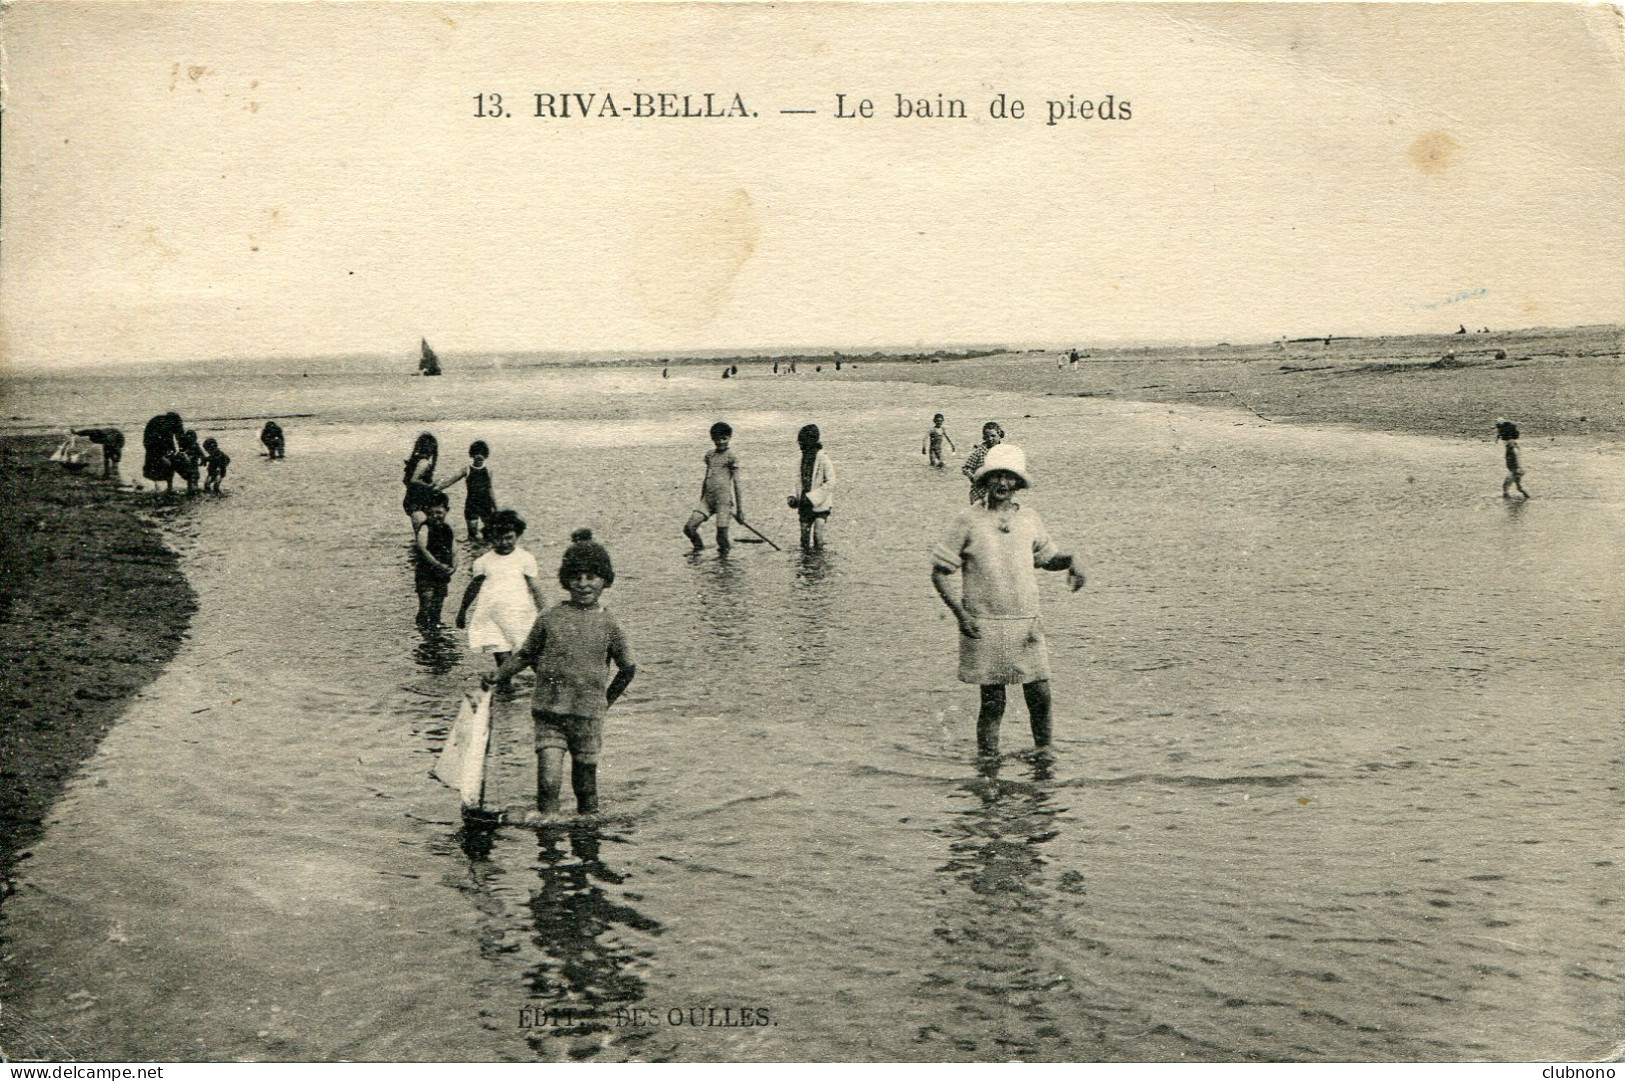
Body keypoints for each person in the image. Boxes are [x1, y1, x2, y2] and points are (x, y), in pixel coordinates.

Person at [930, 444, 1085, 759]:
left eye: (1009, 478)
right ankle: (988, 767)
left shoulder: (1029, 518)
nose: (1002, 483)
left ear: (1018, 484)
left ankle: (1044, 758)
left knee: (1040, 694)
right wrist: (960, 615)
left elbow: (1048, 558)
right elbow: (939, 573)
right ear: (984, 480)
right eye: (996, 476)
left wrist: (1074, 560)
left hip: (1025, 623)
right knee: (993, 703)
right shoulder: (967, 520)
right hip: (982, 625)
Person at [484, 529, 637, 821]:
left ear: (605, 580)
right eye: (576, 577)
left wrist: (606, 701)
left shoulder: (610, 624)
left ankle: (587, 839)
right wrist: (499, 675)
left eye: (591, 577)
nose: (583, 584)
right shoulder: (549, 618)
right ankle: (548, 842)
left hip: (588, 717)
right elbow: (526, 654)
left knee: (586, 790)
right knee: (548, 783)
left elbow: (628, 668)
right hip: (549, 714)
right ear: (566, 580)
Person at [456, 509, 546, 673]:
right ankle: (506, 693)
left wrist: (545, 612)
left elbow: (535, 587)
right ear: (490, 538)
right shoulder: (483, 562)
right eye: (499, 538)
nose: (504, 543)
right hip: (493, 617)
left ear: (517, 535)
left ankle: (547, 692)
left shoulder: (525, 558)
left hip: (520, 615)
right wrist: (462, 610)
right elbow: (473, 587)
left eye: (509, 538)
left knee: (531, 656)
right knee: (503, 661)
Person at [683, 421, 744, 553]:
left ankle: (724, 566)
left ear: (729, 437)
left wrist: (740, 511)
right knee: (689, 528)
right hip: (708, 500)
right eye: (717, 439)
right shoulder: (710, 455)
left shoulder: (731, 457)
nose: (721, 442)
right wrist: (702, 499)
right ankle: (698, 551)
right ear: (712, 439)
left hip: (723, 502)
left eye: (724, 438)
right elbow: (706, 478)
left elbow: (737, 485)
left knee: (721, 538)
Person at [436, 440, 500, 543]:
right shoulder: (467, 469)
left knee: (490, 535)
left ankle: (484, 552)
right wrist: (436, 489)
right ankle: (472, 554)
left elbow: (490, 490)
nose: (479, 456)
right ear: (472, 455)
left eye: (482, 454)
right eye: (476, 453)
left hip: (486, 505)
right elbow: (450, 481)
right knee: (472, 535)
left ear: (486, 455)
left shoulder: (488, 471)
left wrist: (497, 508)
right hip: (472, 505)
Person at [786, 423, 835, 549]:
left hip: (820, 505)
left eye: (802, 443)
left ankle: (817, 562)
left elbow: (830, 482)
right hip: (804, 504)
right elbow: (796, 481)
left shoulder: (824, 459)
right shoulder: (800, 459)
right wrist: (792, 497)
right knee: (804, 536)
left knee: (818, 534)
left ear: (811, 442)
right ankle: (807, 561)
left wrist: (813, 497)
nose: (800, 445)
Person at [413, 492, 456, 631]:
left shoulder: (447, 529)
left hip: (442, 574)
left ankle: (434, 636)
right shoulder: (425, 528)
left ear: (446, 511)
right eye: (431, 513)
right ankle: (422, 629)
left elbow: (455, 550)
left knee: (437, 605)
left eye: (439, 512)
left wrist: (454, 566)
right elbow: (422, 549)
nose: (435, 516)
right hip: (426, 573)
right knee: (426, 602)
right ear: (426, 512)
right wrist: (437, 564)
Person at [402, 432, 440, 528]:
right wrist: (429, 486)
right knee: (424, 530)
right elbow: (414, 481)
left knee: (419, 530)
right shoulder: (424, 463)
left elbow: (407, 481)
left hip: (411, 499)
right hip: (418, 501)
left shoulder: (414, 461)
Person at [141, 413, 184, 492]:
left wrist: (182, 450)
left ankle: (169, 486)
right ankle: (158, 487)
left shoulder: (171, 424)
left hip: (160, 445)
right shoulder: (159, 425)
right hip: (153, 446)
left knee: (171, 461)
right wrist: (161, 456)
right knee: (155, 467)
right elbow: (149, 444)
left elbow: (180, 438)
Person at [959, 421, 1005, 495]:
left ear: (999, 435)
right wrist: (974, 479)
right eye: (987, 436)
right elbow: (966, 468)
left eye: (993, 436)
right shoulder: (979, 451)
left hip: (999, 492)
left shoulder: (1004, 451)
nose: (990, 439)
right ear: (984, 437)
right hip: (980, 492)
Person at [1496, 417, 1530, 499]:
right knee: (1518, 487)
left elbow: (1516, 454)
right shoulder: (1512, 443)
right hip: (1514, 469)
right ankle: (1526, 498)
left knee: (1506, 486)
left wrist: (1518, 468)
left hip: (1515, 470)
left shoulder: (1511, 445)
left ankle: (1509, 501)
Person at [175, 430, 205, 494]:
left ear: (195, 439)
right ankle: (191, 490)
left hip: (194, 466)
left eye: (192, 439)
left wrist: (203, 460)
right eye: (188, 439)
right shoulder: (185, 447)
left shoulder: (196, 446)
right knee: (190, 478)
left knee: (194, 477)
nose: (190, 441)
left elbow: (201, 455)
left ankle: (194, 488)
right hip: (188, 466)